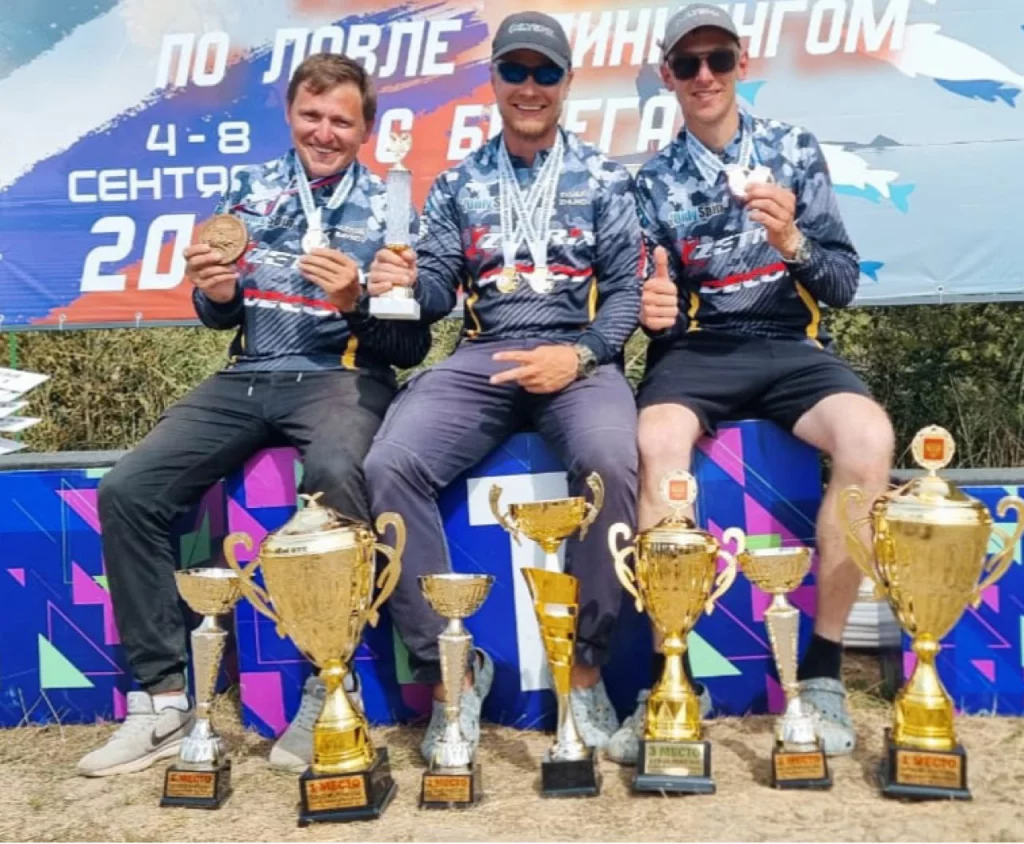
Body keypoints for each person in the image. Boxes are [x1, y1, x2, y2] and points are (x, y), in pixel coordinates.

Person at [77, 54, 430, 777]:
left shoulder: (391, 209)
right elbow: (220, 313)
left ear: (365, 128)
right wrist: (216, 294)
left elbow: (409, 345)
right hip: (247, 375)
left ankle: (329, 689)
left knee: (334, 471)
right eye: (311, 115)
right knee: (128, 489)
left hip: (340, 376)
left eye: (341, 121)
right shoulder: (249, 191)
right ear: (290, 113)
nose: (324, 132)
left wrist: (355, 302)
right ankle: (163, 702)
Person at [606, 4, 894, 764]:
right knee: (655, 441)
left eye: (718, 60)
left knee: (870, 439)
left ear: (742, 64)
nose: (704, 75)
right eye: (688, 63)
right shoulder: (651, 181)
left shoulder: (793, 149)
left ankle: (823, 672)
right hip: (700, 353)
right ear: (667, 75)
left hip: (794, 346)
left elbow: (841, 286)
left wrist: (791, 238)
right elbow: (657, 313)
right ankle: (672, 677)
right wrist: (657, 313)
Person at [363, 12, 642, 761]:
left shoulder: (605, 177)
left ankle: (586, 677)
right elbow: (435, 290)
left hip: (577, 358)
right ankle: (451, 677)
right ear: (493, 80)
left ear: (567, 82)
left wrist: (581, 354)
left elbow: (625, 293)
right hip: (485, 355)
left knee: (611, 462)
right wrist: (400, 282)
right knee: (389, 465)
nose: (529, 86)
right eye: (514, 70)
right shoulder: (458, 182)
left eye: (544, 72)